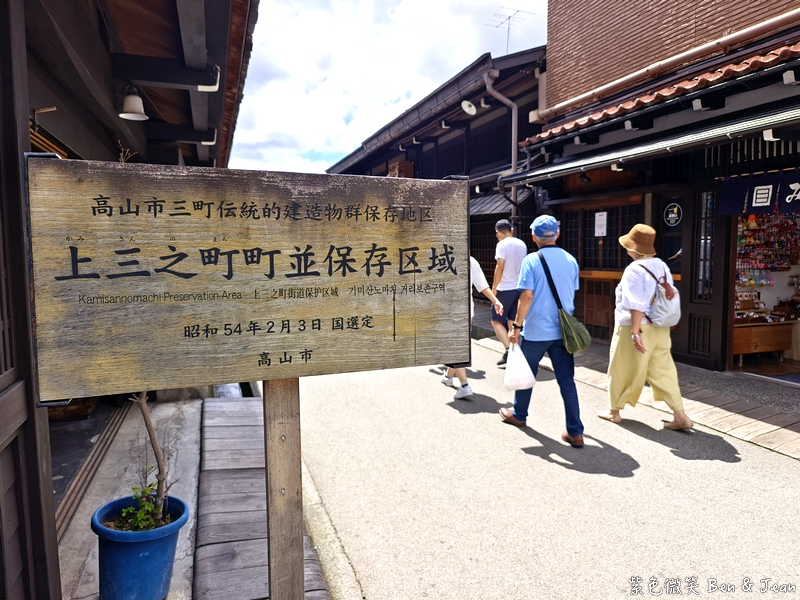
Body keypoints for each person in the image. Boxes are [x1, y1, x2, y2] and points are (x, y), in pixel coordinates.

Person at [499, 215, 585, 448]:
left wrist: (516, 326)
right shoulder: (570, 260)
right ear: (557, 234)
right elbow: (569, 293)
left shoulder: (531, 260)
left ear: (534, 237)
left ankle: (519, 414)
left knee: (526, 375)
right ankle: (575, 432)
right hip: (562, 332)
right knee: (567, 381)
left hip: (536, 330)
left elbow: (526, 296)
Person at [597, 224, 693, 430]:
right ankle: (680, 415)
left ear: (634, 249)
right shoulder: (661, 266)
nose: (626, 249)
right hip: (660, 326)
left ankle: (614, 410)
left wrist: (634, 333)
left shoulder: (633, 270)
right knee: (663, 369)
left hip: (636, 326)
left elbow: (635, 304)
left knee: (621, 366)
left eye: (628, 246)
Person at [441, 256, 503, 399]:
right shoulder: (471, 261)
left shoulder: (440, 258)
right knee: (457, 347)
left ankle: (464, 385)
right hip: (467, 311)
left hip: (447, 311)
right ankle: (448, 376)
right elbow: (482, 286)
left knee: (454, 349)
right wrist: (496, 301)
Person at [491, 219, 528, 367]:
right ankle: (515, 351)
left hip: (505, 288)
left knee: (496, 320)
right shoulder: (521, 244)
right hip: (518, 287)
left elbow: (500, 267)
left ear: (498, 232)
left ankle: (508, 351)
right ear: (511, 230)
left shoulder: (502, 245)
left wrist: (494, 288)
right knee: (512, 321)